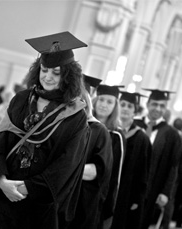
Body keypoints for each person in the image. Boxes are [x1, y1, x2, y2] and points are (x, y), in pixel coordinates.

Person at [0, 31, 90, 229]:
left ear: (68, 76)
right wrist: (1, 179)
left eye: (57, 72)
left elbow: (66, 164)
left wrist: (26, 188)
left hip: (37, 207)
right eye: (45, 70)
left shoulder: (75, 115)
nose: (48, 77)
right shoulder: (21, 99)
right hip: (1, 198)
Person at [68, 74, 113, 229]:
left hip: (82, 204)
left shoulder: (99, 130)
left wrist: (63, 169)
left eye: (79, 99)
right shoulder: (64, 127)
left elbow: (97, 171)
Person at [134, 89, 182, 229]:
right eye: (154, 104)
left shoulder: (172, 135)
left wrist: (166, 193)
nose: (158, 109)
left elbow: (174, 167)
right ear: (148, 104)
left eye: (162, 106)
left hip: (152, 189)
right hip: (128, 184)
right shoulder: (134, 124)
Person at [110, 91, 152, 229]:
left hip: (126, 193)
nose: (126, 108)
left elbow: (143, 171)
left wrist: (137, 198)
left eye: (130, 106)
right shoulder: (110, 132)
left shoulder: (142, 138)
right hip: (107, 189)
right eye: (123, 104)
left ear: (135, 111)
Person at [92, 84, 126, 229]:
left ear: (115, 106)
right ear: (94, 101)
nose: (104, 105)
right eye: (101, 100)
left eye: (109, 102)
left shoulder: (117, 135)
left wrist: (108, 203)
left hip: (97, 196)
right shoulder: (82, 125)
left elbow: (115, 174)